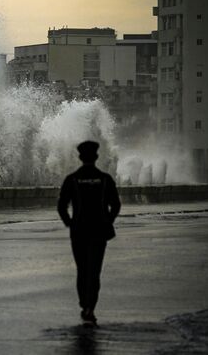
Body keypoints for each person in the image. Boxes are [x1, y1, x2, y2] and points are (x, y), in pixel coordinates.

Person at [57, 140, 121, 327]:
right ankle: (90, 307)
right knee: (94, 270)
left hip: (79, 231)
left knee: (82, 269)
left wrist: (69, 223)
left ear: (80, 157)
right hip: (99, 231)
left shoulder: (72, 179)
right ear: (96, 157)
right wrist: (108, 220)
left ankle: (84, 303)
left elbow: (62, 205)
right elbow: (115, 204)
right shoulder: (105, 179)